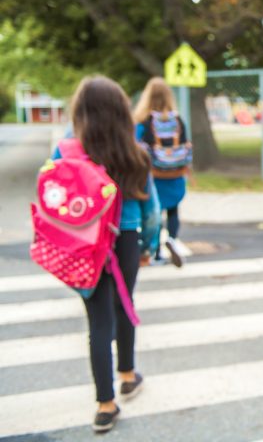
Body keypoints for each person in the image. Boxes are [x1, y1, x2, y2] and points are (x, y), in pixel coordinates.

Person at [52, 76, 160, 433]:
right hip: (124, 239)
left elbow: (53, 201)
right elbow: (152, 212)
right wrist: (148, 247)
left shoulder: (65, 151)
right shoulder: (135, 152)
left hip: (83, 245)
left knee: (98, 321)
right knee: (125, 305)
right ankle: (128, 374)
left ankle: (105, 403)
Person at [133, 77, 189, 267]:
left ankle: (155, 252)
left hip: (153, 175)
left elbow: (135, 147)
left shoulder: (143, 122)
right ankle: (172, 239)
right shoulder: (177, 120)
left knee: (154, 212)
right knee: (173, 209)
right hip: (176, 173)